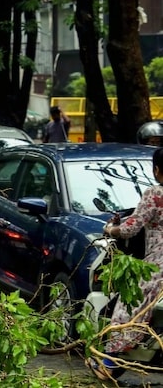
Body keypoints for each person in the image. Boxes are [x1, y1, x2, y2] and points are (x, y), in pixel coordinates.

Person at [89, 147, 163, 380]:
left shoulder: (154, 194)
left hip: (157, 266)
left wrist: (110, 229)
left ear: (157, 169)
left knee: (128, 309)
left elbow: (130, 229)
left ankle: (108, 364)